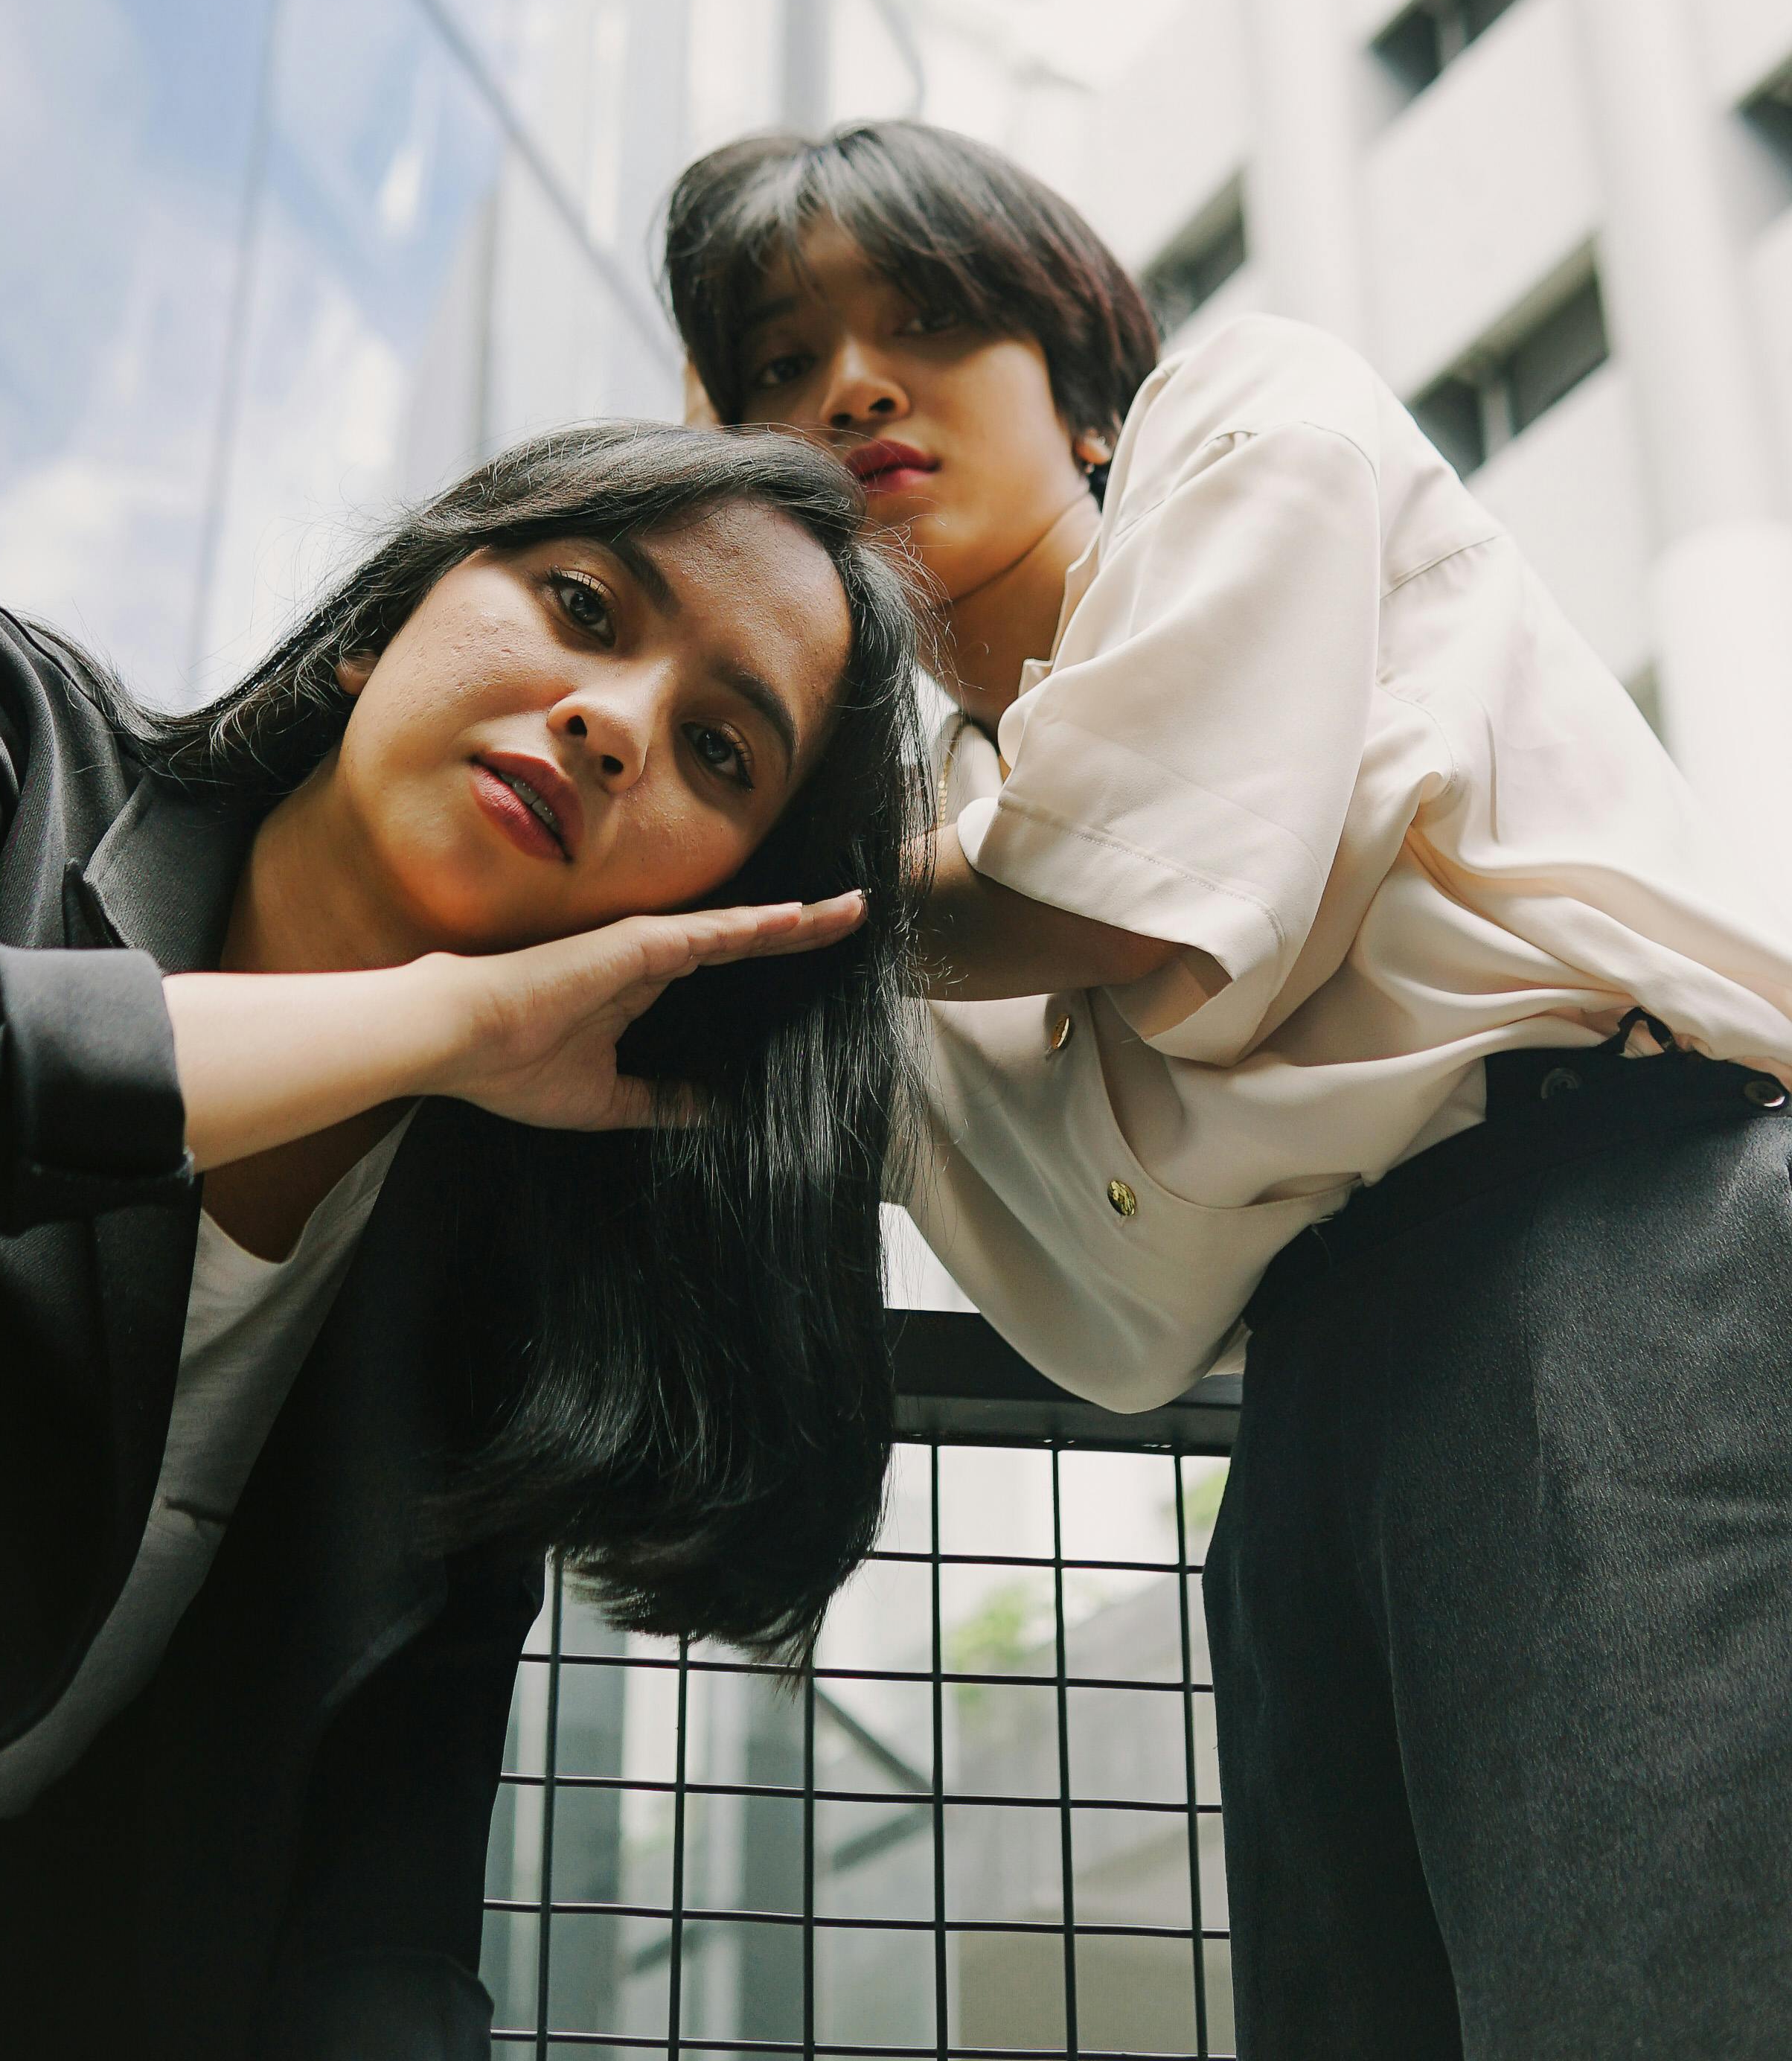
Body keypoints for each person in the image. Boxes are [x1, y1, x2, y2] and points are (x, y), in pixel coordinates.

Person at [665, 119, 1792, 2061]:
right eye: (774, 365)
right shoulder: (911, 840)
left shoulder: (1250, 422)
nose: (847, 388)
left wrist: (719, 902)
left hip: (1615, 1251)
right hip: (1306, 1415)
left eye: (924, 316)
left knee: (1656, 1998)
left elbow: (1140, 897)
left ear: (1077, 384)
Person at [0, 421, 927, 2061]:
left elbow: (387, 1897)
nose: (613, 724)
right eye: (580, 604)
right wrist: (434, 1021)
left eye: (720, 754)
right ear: (378, 627)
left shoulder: (503, 1259)